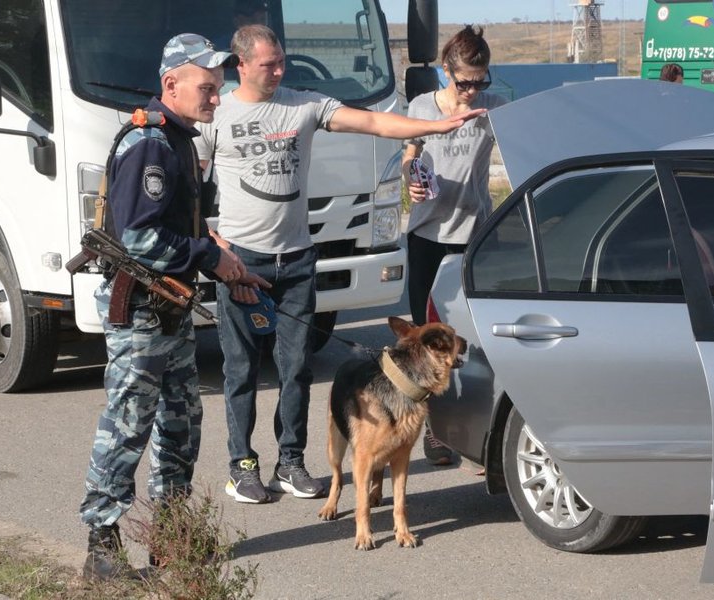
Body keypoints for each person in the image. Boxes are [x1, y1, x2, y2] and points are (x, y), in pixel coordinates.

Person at [195, 24, 486, 505]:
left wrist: (434, 128)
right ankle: (241, 466)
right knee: (241, 370)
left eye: (281, 61)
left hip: (296, 260)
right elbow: (189, 186)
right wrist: (214, 245)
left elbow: (372, 123)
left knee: (296, 369)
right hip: (242, 262)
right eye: (269, 64)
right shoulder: (217, 115)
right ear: (240, 65)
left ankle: (291, 462)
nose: (279, 71)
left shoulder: (304, 104)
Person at [79, 33, 262, 580]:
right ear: (171, 84)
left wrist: (225, 259)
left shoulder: (179, 139)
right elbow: (140, 240)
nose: (217, 97)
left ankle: (171, 537)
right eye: (208, 87)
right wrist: (209, 255)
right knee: (128, 425)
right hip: (140, 313)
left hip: (171, 311)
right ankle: (102, 547)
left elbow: (179, 225)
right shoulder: (150, 144)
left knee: (180, 424)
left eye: (219, 86)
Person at [402, 25, 506, 467]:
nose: (472, 91)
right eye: (464, 83)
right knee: (427, 339)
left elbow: (527, 144)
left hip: (474, 236)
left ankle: (480, 429)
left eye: (480, 82)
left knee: (477, 338)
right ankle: (436, 429)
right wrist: (410, 177)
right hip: (428, 235)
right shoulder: (422, 107)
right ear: (447, 71)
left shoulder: (493, 107)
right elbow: (409, 154)